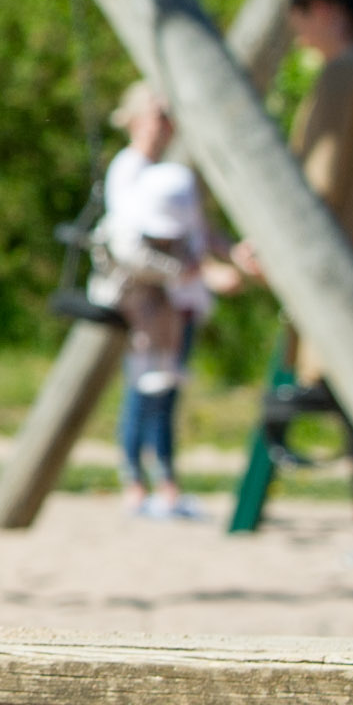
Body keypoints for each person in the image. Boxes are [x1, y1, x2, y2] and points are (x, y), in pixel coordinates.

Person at [236, 0, 353, 561]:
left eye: (301, 22)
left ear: (322, 11)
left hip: (347, 261)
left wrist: (269, 243)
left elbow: (321, 178)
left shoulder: (343, 74)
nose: (300, 37)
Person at [93, 83, 238, 518]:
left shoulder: (167, 171)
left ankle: (167, 482)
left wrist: (227, 254)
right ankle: (136, 481)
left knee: (167, 390)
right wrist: (193, 270)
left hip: (179, 299)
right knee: (144, 388)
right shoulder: (130, 169)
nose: (167, 125)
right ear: (136, 118)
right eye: (160, 115)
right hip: (150, 301)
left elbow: (196, 229)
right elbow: (133, 242)